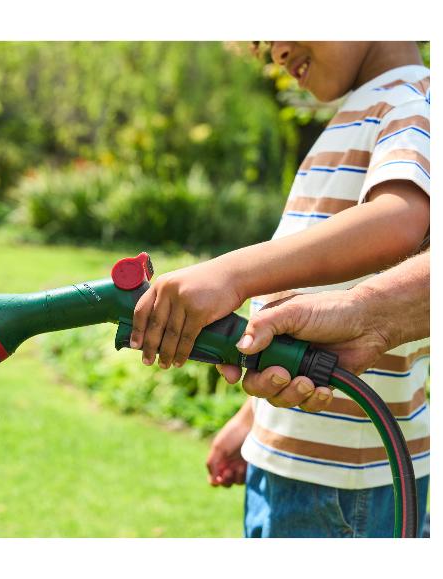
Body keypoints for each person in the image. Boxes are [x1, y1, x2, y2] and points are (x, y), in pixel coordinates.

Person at [129, 42, 429, 537]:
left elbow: (398, 220)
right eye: (264, 46)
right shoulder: (357, 113)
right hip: (299, 463)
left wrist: (232, 273)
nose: (278, 53)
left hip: (347, 484)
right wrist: (253, 420)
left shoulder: (412, 100)